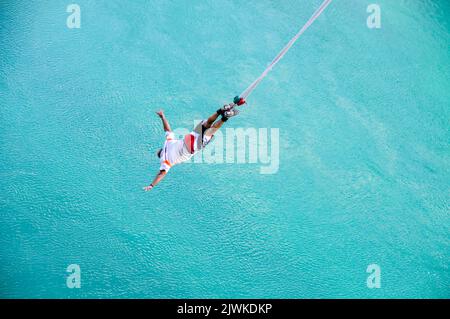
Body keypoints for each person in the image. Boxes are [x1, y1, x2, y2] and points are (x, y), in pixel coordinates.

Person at [143, 103, 239, 191]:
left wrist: (152, 185)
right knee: (207, 124)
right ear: (161, 150)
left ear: (160, 156)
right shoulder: (168, 142)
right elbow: (167, 129)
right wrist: (162, 117)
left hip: (191, 147)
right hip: (190, 137)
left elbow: (161, 174)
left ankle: (225, 117)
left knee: (211, 131)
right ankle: (221, 110)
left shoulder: (165, 162)